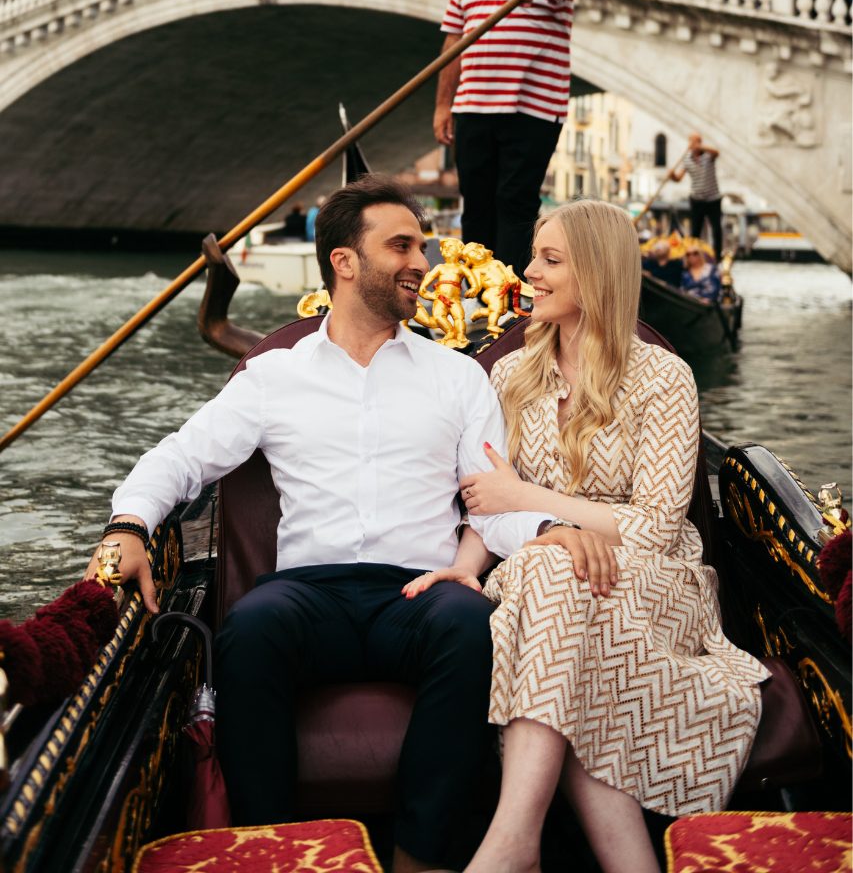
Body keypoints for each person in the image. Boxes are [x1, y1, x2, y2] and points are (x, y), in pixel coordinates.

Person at [84, 177, 611, 873]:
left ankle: (419, 858)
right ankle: (274, 850)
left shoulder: (456, 378)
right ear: (344, 262)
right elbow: (181, 457)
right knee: (251, 627)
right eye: (400, 245)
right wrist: (128, 523)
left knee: (466, 622)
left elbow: (491, 501)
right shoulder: (274, 376)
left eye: (420, 245)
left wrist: (548, 530)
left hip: (417, 591)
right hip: (308, 593)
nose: (420, 261)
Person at [405, 200, 767, 873]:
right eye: (533, 256)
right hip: (539, 564)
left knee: (555, 582)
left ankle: (514, 840)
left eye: (549, 260)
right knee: (550, 572)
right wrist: (466, 563)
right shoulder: (509, 375)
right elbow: (486, 503)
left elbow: (658, 529)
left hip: (651, 580)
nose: (527, 273)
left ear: (596, 273)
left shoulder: (663, 378)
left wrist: (534, 501)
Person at [433, 0, 599, 276]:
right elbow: (453, 40)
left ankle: (511, 305)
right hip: (473, 105)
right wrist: (442, 106)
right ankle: (475, 296)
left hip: (533, 106)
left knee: (514, 204)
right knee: (475, 206)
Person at [668, 133, 723, 261]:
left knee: (716, 229)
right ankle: (693, 257)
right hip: (696, 199)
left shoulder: (709, 156)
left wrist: (701, 147)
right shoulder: (687, 158)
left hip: (713, 198)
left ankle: (717, 257)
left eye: (696, 142)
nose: (693, 144)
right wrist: (672, 176)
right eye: (691, 142)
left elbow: (717, 153)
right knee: (695, 231)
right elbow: (678, 178)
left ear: (700, 143)